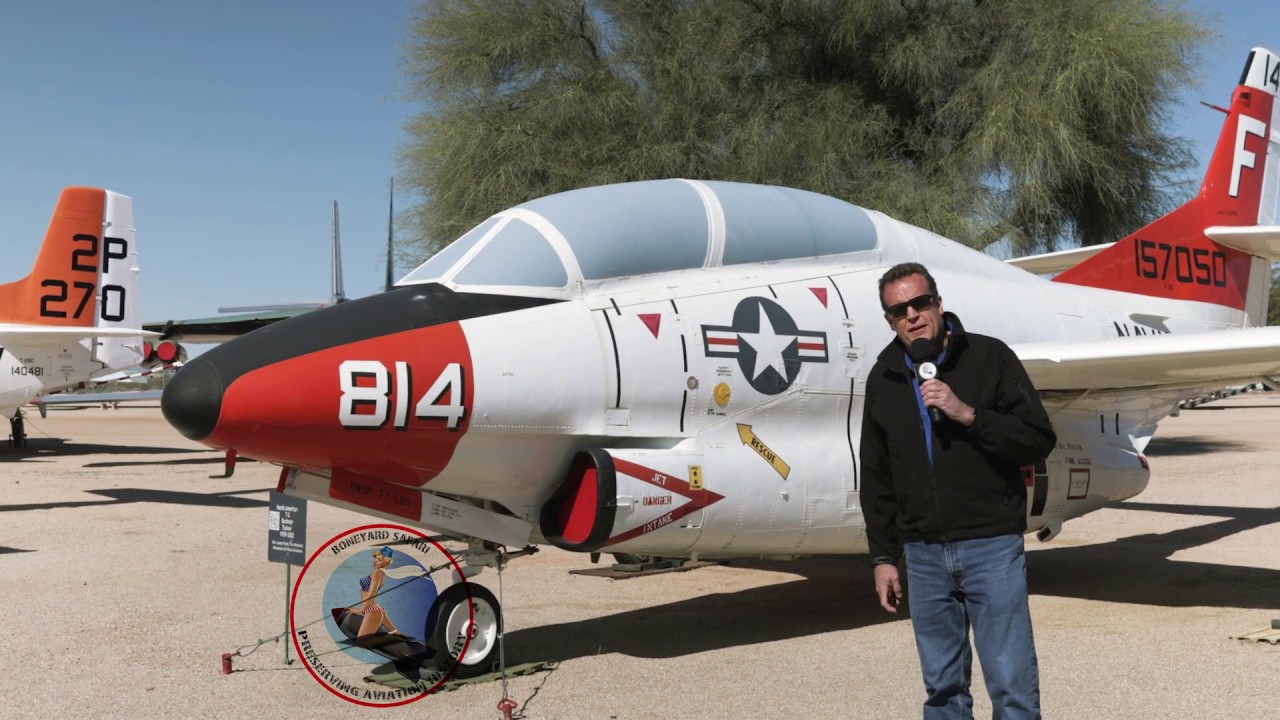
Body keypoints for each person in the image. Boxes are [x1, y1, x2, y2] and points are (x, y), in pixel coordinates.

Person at [859, 262, 1056, 719]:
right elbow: (877, 474)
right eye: (898, 310)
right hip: (924, 556)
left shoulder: (990, 358)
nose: (911, 315)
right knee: (943, 690)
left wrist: (968, 414)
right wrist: (883, 556)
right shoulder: (884, 377)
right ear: (890, 320)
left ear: (938, 304)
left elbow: (1037, 439)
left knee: (1012, 685)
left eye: (919, 303)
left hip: (991, 546)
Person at [352, 546, 407, 644]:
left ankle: (391, 639)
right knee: (395, 632)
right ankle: (399, 637)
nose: (375, 562)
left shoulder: (378, 572)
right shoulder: (381, 572)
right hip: (375, 608)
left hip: (372, 609)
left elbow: (371, 595)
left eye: (379, 560)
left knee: (361, 642)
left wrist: (360, 610)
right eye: (375, 559)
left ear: (386, 561)